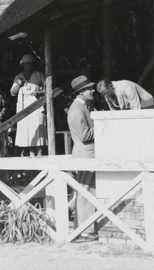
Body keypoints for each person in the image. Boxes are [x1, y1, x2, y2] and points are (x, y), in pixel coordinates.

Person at [67, 75, 98, 241]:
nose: (92, 90)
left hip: (89, 155)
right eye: (88, 89)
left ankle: (88, 228)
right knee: (85, 193)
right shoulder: (77, 110)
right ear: (80, 93)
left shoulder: (85, 107)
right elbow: (84, 135)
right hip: (84, 155)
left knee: (88, 192)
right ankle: (84, 229)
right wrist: (101, 126)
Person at [11, 54, 46, 156]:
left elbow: (48, 89)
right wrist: (18, 84)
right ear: (23, 65)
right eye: (26, 64)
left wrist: (38, 93)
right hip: (24, 108)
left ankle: (39, 155)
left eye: (30, 63)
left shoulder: (39, 75)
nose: (29, 65)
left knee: (37, 131)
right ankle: (31, 155)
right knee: (28, 133)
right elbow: (13, 93)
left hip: (37, 108)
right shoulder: (18, 76)